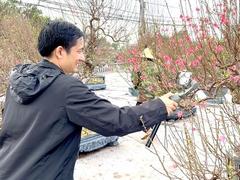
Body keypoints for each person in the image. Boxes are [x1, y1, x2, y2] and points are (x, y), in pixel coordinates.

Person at [0, 20, 178, 180]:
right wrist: (159, 106)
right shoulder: (66, 88)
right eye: (79, 51)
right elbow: (116, 121)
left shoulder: (18, 81)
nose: (83, 57)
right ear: (60, 51)